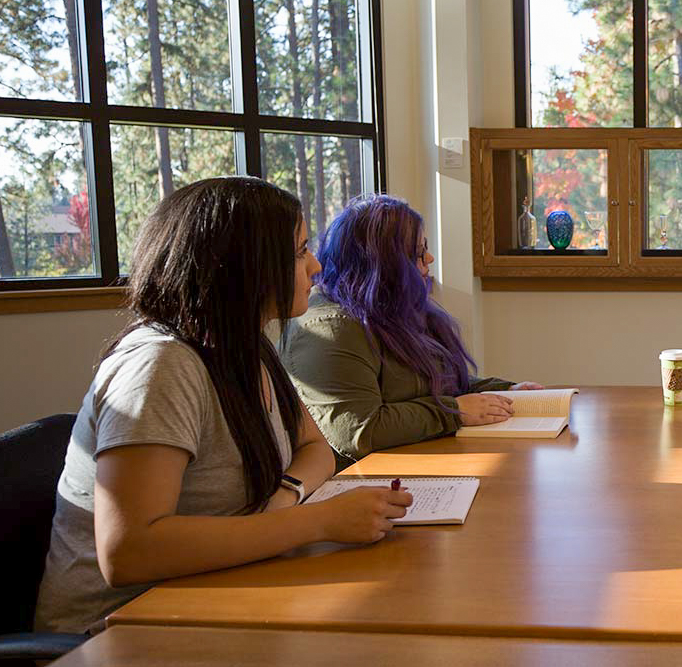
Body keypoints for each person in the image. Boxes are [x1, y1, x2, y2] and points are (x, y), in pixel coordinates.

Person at [35, 177, 413, 634]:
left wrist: (284, 498)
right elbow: (128, 550)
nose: (314, 266)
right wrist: (315, 522)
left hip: (219, 592)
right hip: (125, 628)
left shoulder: (245, 348)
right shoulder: (161, 365)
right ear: (241, 266)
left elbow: (315, 446)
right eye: (299, 251)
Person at [281, 195, 542, 468]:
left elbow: (440, 382)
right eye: (417, 252)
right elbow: (360, 432)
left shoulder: (392, 310)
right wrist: (454, 412)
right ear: (384, 264)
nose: (429, 258)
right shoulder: (329, 330)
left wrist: (506, 391)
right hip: (363, 483)